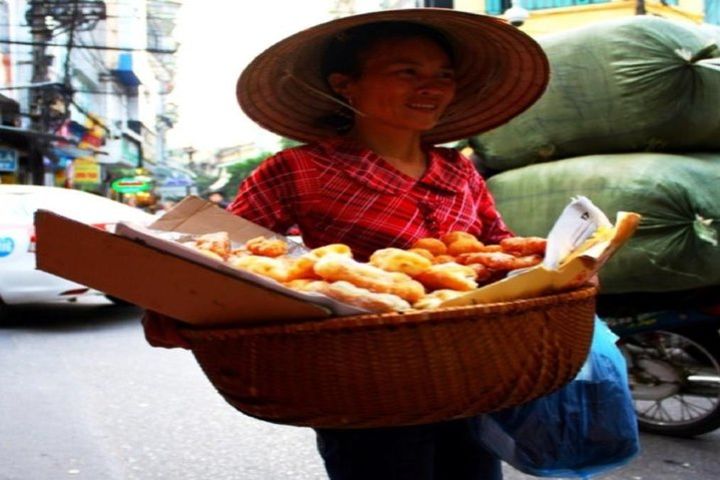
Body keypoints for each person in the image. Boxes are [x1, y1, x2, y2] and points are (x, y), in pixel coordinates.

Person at [144, 8, 549, 480]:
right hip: (363, 384)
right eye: (407, 72)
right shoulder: (297, 170)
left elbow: (497, 247)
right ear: (344, 84)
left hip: (469, 372)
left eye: (444, 75)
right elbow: (223, 256)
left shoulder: (458, 170)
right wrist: (173, 309)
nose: (432, 87)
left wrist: (559, 263)